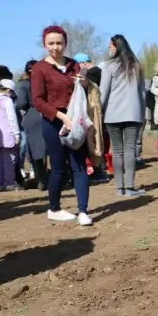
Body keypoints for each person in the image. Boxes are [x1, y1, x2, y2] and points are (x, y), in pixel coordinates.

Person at [31, 25, 92, 225]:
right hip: (52, 120)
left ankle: (83, 211)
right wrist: (61, 116)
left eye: (59, 43)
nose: (55, 47)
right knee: (58, 167)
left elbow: (81, 91)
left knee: (79, 165)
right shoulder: (39, 68)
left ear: (65, 43)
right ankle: (54, 208)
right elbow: (37, 101)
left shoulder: (74, 64)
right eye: (51, 43)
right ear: (44, 44)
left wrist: (84, 83)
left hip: (75, 118)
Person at [100, 34, 147, 196]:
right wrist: (143, 113)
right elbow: (142, 93)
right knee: (130, 150)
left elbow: (104, 92)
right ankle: (130, 187)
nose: (109, 50)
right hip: (133, 113)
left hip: (112, 114)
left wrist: (99, 111)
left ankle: (119, 187)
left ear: (116, 47)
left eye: (110, 47)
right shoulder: (137, 65)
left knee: (117, 150)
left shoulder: (108, 66)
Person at [15, 60, 48, 190]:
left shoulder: (24, 84)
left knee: (35, 149)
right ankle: (52, 177)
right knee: (49, 147)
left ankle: (41, 180)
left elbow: (20, 103)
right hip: (48, 113)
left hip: (33, 115)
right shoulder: (46, 82)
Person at [0, 79, 21, 191]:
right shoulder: (7, 101)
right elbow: (12, 119)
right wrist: (17, 134)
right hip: (8, 134)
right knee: (10, 159)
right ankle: (9, 183)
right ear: (8, 90)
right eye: (11, 92)